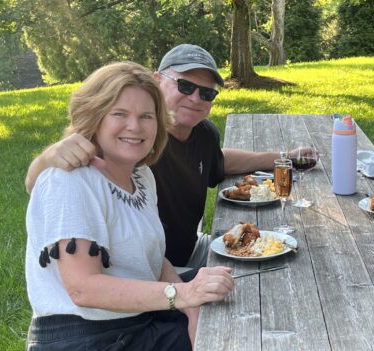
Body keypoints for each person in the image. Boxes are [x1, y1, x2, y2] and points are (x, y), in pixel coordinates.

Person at [24, 61, 238, 351]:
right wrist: (182, 300)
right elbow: (83, 288)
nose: (134, 127)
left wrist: (188, 296)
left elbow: (154, 260)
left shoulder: (139, 175)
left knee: (230, 298)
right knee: (230, 344)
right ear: (93, 115)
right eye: (119, 114)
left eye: (146, 116)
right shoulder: (70, 182)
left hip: (125, 325)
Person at [25, 44, 306, 270]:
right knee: (251, 279)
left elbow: (218, 161)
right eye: (185, 86)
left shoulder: (202, 133)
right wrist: (49, 157)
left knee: (281, 247)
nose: (196, 98)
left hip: (186, 252)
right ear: (157, 80)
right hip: (147, 272)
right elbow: (48, 184)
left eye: (207, 93)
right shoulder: (133, 143)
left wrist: (283, 157)